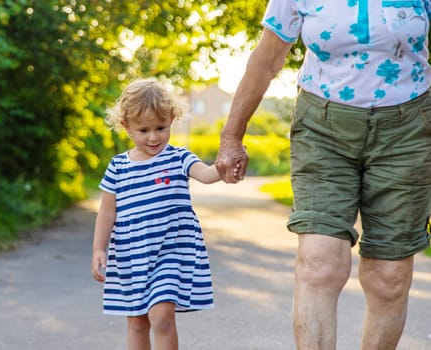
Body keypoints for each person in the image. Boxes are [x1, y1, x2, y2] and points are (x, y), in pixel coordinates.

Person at [215, 2, 431, 350]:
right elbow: (267, 59)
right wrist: (231, 137)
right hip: (323, 130)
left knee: (389, 276)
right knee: (320, 263)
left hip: (407, 129)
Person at [91, 78, 239, 350]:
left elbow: (206, 175)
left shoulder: (178, 157)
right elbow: (107, 211)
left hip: (170, 250)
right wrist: (99, 249)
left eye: (161, 127)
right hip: (130, 254)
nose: (153, 137)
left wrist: (224, 167)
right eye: (143, 130)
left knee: (161, 318)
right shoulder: (118, 167)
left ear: (172, 119)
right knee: (136, 322)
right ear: (126, 126)